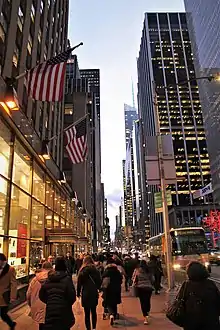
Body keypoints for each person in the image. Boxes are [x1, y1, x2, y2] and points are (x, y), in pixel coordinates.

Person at [172, 261, 220, 330]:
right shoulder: (210, 284)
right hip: (211, 321)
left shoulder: (186, 285)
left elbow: (179, 301)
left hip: (192, 322)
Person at [39, 257, 76, 330]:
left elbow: (41, 295)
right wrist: (65, 303)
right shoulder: (67, 279)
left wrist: (50, 301)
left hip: (50, 312)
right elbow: (72, 297)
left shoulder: (49, 279)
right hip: (64, 313)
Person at [77, 256, 101, 330]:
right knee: (94, 311)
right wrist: (97, 288)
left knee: (86, 314)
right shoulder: (96, 270)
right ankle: (94, 327)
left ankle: (88, 328)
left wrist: (78, 293)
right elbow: (99, 282)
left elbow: (79, 284)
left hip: (85, 293)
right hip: (93, 292)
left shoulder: (82, 271)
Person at [27, 262, 53, 330]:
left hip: (38, 305)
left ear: (42, 268)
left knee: (41, 325)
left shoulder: (35, 279)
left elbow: (28, 294)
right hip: (51, 306)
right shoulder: (53, 278)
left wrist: (30, 304)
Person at [102, 258, 123, 326]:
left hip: (108, 289)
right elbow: (121, 280)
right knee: (115, 303)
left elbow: (103, 279)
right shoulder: (117, 271)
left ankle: (111, 315)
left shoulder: (106, 271)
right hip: (116, 289)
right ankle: (115, 314)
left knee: (108, 302)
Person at [133, 260, 154, 325]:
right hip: (148, 287)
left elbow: (134, 279)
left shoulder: (137, 270)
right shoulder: (149, 270)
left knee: (142, 302)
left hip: (140, 288)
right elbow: (152, 279)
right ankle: (147, 311)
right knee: (147, 300)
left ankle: (145, 315)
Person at [0, 253, 17, 329]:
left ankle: (11, 324)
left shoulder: (10, 269)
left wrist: (13, 297)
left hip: (4, 296)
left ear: (2, 261)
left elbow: (13, 283)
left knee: (3, 314)